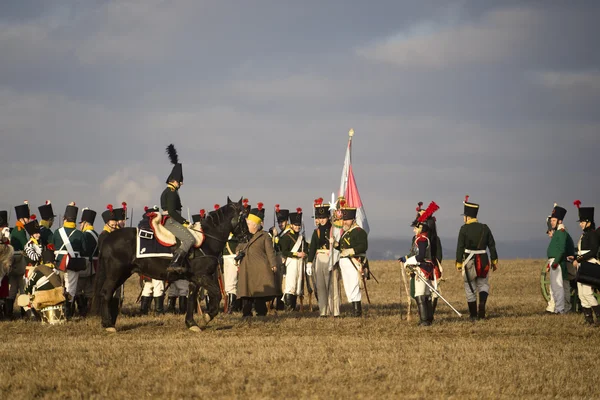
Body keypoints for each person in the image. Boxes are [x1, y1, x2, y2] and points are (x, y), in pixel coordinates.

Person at [455, 196, 499, 321]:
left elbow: (460, 247)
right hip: (484, 260)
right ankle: (482, 308)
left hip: (469, 261)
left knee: (470, 288)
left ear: (467, 216)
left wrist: (458, 263)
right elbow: (492, 245)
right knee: (483, 285)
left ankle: (474, 315)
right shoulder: (485, 228)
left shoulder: (464, 229)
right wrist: (494, 261)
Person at [399, 201, 440, 326]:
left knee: (420, 295)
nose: (414, 230)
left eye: (415, 228)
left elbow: (421, 256)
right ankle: (428, 319)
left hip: (422, 269)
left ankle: (424, 320)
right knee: (426, 294)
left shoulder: (421, 239)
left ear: (421, 228)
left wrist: (408, 261)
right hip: (426, 268)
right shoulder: (422, 238)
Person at [236, 203, 280, 317]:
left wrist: (273, 264)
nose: (247, 226)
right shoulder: (245, 236)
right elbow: (239, 247)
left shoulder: (265, 236)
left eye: (249, 224)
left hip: (260, 270)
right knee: (246, 293)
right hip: (246, 269)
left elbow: (270, 251)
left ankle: (261, 313)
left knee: (259, 293)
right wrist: (237, 252)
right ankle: (246, 313)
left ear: (256, 225)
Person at [160, 144, 195, 274]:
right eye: (180, 181)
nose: (182, 183)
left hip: (172, 219)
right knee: (190, 239)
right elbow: (172, 212)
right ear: (175, 180)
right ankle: (175, 262)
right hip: (171, 221)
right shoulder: (171, 192)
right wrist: (185, 222)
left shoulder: (170, 191)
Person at [52, 202, 86, 319]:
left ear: (64, 219)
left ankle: (58, 312)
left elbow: (52, 245)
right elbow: (84, 249)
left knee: (58, 288)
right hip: (72, 263)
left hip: (58, 263)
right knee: (71, 289)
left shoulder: (57, 232)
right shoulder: (79, 234)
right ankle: (68, 314)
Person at [333, 201, 368, 317]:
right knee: (348, 286)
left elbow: (363, 246)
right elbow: (343, 247)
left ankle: (357, 311)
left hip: (353, 262)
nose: (345, 222)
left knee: (354, 286)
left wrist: (351, 251)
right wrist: (336, 245)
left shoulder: (359, 232)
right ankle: (354, 310)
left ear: (353, 219)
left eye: (347, 219)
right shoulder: (345, 233)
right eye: (344, 219)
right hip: (345, 262)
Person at [307, 198, 341, 317]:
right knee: (320, 286)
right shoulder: (316, 232)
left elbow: (340, 245)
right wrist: (309, 262)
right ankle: (323, 310)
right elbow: (312, 248)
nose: (321, 220)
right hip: (320, 258)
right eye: (319, 218)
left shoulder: (334, 229)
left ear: (328, 217)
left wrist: (335, 242)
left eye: (323, 217)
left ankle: (335, 311)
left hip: (331, 257)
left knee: (333, 287)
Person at [569, 200, 599, 325]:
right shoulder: (584, 235)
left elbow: (592, 252)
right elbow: (582, 251)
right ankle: (588, 320)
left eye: (582, 222)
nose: (580, 224)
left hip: (589, 265)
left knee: (587, 292)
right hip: (582, 264)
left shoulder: (592, 234)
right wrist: (574, 256)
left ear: (589, 222)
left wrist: (579, 259)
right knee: (581, 294)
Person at [545, 204, 575, 314]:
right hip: (555, 261)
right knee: (557, 286)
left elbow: (561, 250)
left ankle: (560, 309)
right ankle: (561, 308)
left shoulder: (561, 232)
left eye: (553, 220)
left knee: (557, 286)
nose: (551, 222)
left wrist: (555, 262)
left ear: (559, 221)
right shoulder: (558, 232)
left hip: (557, 262)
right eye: (551, 220)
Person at [278, 208, 307, 311]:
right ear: (291, 225)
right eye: (295, 225)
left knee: (297, 284)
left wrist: (305, 253)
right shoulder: (286, 237)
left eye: (299, 225)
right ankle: (289, 307)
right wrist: (296, 254)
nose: (297, 227)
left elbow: (306, 248)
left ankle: (293, 306)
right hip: (291, 262)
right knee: (290, 285)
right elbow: (284, 251)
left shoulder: (301, 237)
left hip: (300, 262)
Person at [7, 201, 31, 319]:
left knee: (12, 291)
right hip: (21, 264)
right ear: (22, 219)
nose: (28, 220)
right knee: (23, 290)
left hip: (13, 264)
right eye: (27, 218)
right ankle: (24, 314)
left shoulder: (17, 229)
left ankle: (9, 313)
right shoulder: (20, 231)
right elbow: (25, 246)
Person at [76, 208, 99, 317]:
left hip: (84, 264)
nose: (80, 226)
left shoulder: (84, 235)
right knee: (90, 290)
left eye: (81, 223)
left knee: (78, 289)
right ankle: (90, 310)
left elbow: (83, 250)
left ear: (85, 223)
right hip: (94, 266)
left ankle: (82, 311)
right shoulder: (96, 234)